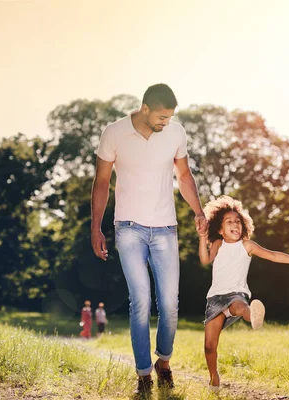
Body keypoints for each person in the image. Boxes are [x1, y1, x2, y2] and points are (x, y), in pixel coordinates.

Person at [91, 83, 207, 394]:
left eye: (170, 118)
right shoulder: (113, 133)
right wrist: (96, 226)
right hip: (128, 228)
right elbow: (101, 181)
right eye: (161, 117)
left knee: (170, 302)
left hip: (165, 228)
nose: (165, 122)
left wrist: (198, 211)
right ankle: (143, 372)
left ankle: (164, 362)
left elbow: (184, 176)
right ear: (145, 108)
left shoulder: (175, 133)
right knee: (140, 299)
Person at [197, 195, 289, 391]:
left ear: (244, 225)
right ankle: (214, 378)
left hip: (237, 293)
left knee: (239, 306)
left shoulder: (246, 245)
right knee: (209, 346)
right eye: (229, 221)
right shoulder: (218, 244)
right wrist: (202, 237)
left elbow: (272, 255)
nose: (235, 224)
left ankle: (253, 316)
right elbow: (205, 260)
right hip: (215, 298)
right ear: (220, 229)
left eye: (238, 221)